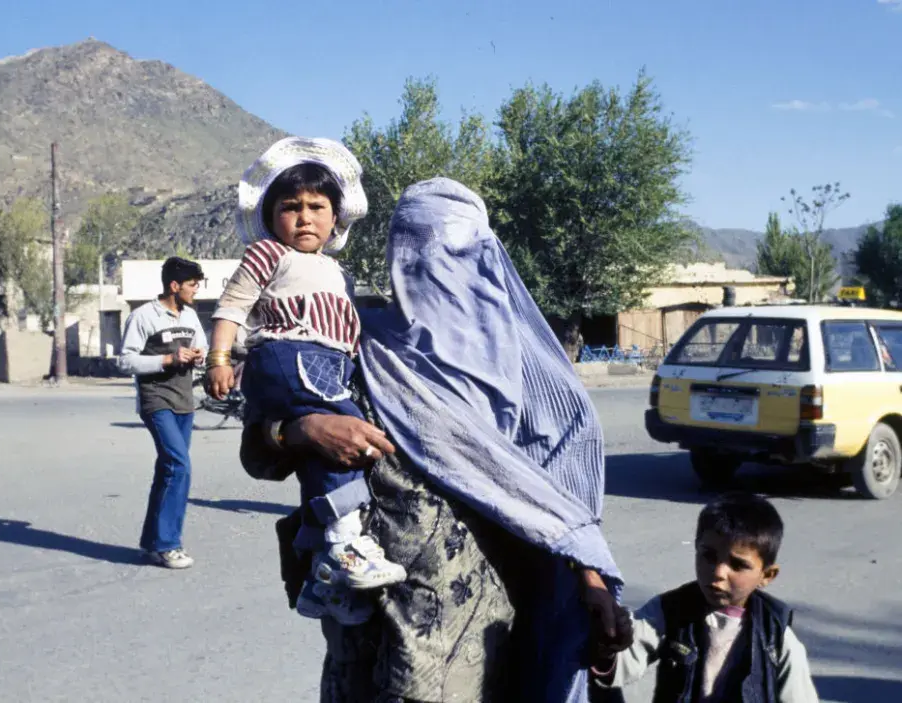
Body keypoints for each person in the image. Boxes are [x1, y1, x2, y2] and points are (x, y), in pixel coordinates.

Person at [235, 178, 631, 702]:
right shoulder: (358, 343)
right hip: (377, 625)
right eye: (416, 255)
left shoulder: (538, 382)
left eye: (457, 254)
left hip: (492, 628)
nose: (436, 269)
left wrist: (593, 582)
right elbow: (257, 454)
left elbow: (561, 504)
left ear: (487, 258)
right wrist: (302, 430)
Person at [206, 136, 405, 623]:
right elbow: (232, 305)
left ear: (336, 217)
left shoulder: (339, 273)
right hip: (290, 354)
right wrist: (219, 357)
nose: (305, 217)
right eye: (291, 207)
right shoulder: (268, 254)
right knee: (347, 425)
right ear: (271, 216)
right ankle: (344, 543)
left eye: (317, 207)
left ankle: (320, 572)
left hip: (325, 361)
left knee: (326, 448)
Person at [591, 492, 819, 702]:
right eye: (708, 556)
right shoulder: (670, 610)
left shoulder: (776, 639)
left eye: (738, 565)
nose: (719, 572)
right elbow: (625, 661)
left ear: (766, 575)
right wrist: (611, 645)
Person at [118, 256, 207, 569]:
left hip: (185, 400)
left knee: (168, 470)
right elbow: (126, 361)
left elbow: (202, 349)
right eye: (192, 284)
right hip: (156, 400)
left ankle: (151, 543)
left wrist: (198, 357)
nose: (196, 290)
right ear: (174, 285)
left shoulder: (191, 316)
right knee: (179, 465)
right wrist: (167, 360)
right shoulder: (144, 316)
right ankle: (169, 544)